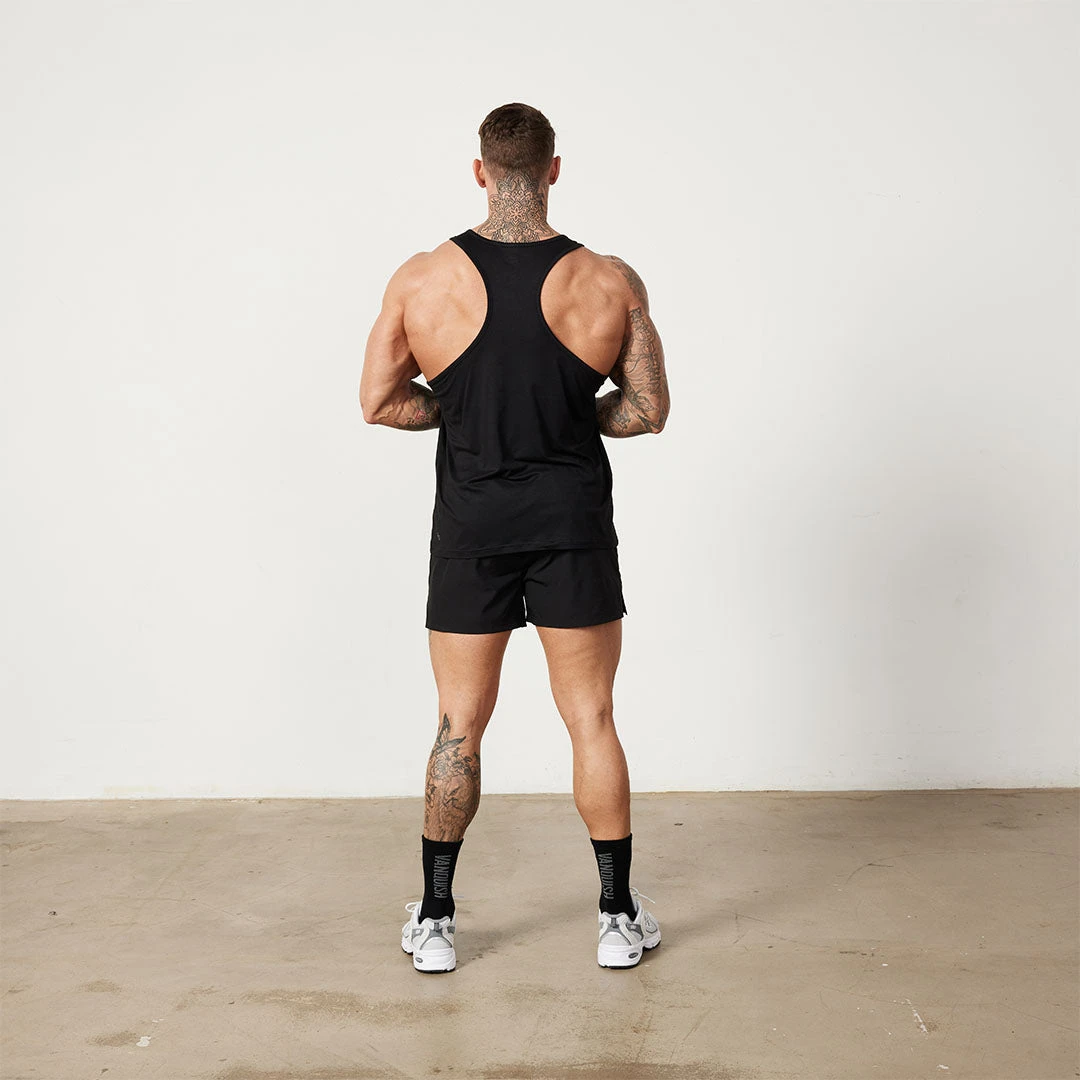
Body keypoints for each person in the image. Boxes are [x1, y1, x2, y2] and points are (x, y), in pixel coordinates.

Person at [359, 102, 671, 973]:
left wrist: (464, 411)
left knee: (458, 723)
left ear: (480, 171)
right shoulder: (608, 281)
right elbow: (647, 409)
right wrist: (566, 416)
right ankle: (616, 917)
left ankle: (435, 920)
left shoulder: (423, 280)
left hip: (473, 529)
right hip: (572, 525)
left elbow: (380, 401)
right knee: (592, 717)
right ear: (554, 169)